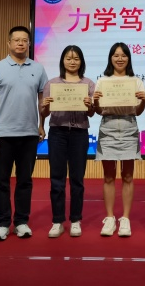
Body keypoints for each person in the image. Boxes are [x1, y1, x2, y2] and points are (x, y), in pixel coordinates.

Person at [0, 26, 48, 241]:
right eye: (17, 40)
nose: (21, 43)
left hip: (29, 134)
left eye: (24, 40)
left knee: (25, 180)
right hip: (3, 134)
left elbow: (42, 100)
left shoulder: (38, 69)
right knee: (1, 181)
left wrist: (41, 124)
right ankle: (2, 223)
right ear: (9, 43)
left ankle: (21, 222)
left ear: (29, 44)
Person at [40, 45, 95, 238]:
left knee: (77, 179)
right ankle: (57, 221)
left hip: (79, 133)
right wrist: (45, 106)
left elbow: (92, 113)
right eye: (69, 58)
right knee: (57, 178)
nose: (72, 62)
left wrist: (90, 106)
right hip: (57, 133)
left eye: (76, 58)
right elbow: (44, 113)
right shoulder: (52, 84)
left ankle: (75, 220)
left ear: (81, 62)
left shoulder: (88, 84)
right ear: (62, 61)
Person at [93, 42, 145, 237]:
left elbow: (138, 112)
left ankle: (125, 218)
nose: (120, 58)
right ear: (110, 58)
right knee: (108, 176)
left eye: (124, 55)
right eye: (116, 55)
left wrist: (144, 101)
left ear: (129, 58)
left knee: (128, 176)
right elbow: (99, 111)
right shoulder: (102, 81)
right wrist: (96, 101)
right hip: (107, 129)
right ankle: (109, 218)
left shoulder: (136, 81)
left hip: (129, 128)